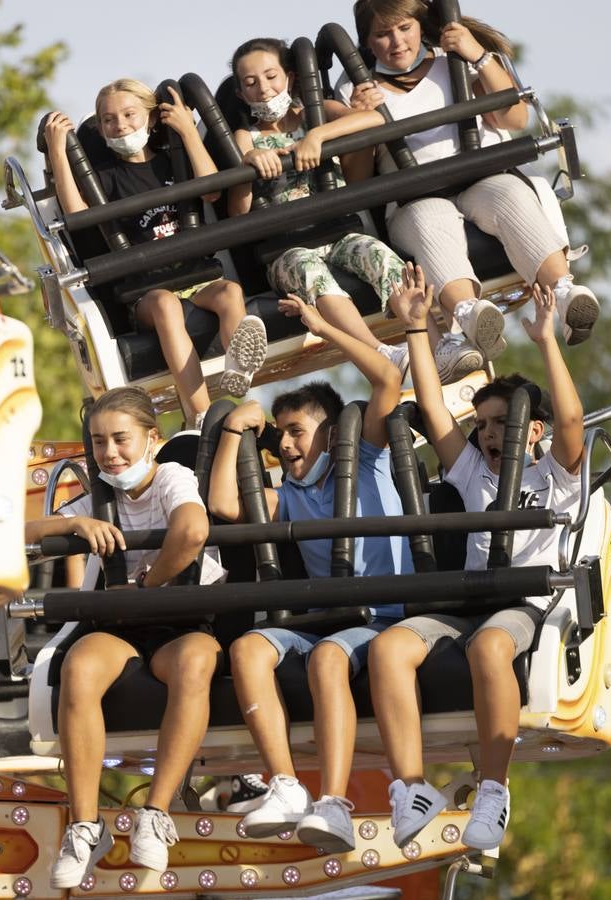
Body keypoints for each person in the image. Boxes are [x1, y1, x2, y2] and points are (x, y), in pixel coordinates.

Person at [369, 264, 584, 851]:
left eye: (500, 424)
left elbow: (570, 421)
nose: (489, 434)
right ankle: (412, 786)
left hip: (523, 602)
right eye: (482, 425)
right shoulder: (470, 473)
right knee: (389, 648)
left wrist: (544, 340)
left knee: (492, 645)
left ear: (528, 429)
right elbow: (435, 409)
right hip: (466, 598)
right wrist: (416, 329)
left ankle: (494, 790)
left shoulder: (555, 474)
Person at [207, 292, 411, 853]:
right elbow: (226, 505)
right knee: (247, 650)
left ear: (330, 432)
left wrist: (323, 328)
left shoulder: (364, 456)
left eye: (296, 431)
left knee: (326, 658)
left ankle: (335, 803)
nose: (286, 444)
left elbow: (388, 381)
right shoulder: (293, 491)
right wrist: (233, 431)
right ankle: (287, 785)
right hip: (326, 618)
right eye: (280, 435)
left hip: (381, 617)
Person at [26, 386, 224, 888]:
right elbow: (25, 531)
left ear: (151, 440)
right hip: (121, 629)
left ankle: (154, 813)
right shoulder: (102, 498)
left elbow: (192, 532)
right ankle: (86, 825)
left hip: (180, 621)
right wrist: (74, 521)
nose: (110, 454)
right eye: (98, 443)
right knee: (79, 667)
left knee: (196, 662)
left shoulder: (172, 478)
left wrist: (148, 581)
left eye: (121, 440)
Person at [339, 0, 599, 377]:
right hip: (416, 193)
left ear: (419, 25)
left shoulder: (456, 58)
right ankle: (469, 314)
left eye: (404, 28)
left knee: (510, 196)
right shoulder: (355, 85)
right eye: (382, 34)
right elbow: (356, 177)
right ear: (367, 41)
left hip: (483, 174)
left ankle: (563, 291)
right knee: (431, 221)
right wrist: (361, 120)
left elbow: (514, 117)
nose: (396, 42)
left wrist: (477, 54)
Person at [226, 37, 460, 382]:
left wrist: (316, 137)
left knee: (378, 253)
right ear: (241, 94)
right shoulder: (246, 136)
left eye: (271, 76)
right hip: (286, 250)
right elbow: (238, 209)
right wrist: (249, 162)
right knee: (308, 269)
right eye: (251, 83)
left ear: (290, 77)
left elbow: (372, 121)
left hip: (337, 232)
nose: (263, 88)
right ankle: (381, 351)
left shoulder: (316, 112)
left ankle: (439, 347)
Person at [44, 79, 267, 427]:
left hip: (194, 275)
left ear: (150, 118)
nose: (120, 125)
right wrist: (58, 151)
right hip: (146, 290)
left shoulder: (171, 162)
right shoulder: (105, 178)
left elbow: (210, 191)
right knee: (166, 304)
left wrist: (187, 131)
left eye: (129, 114)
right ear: (101, 130)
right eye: (109, 120)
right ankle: (200, 413)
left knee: (230, 291)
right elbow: (76, 214)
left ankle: (239, 367)